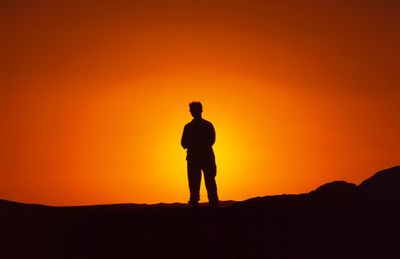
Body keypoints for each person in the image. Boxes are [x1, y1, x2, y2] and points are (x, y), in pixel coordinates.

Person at [181, 101, 219, 208]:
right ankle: (213, 204)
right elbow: (212, 140)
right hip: (205, 157)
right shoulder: (207, 125)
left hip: (196, 158)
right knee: (207, 182)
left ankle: (197, 205)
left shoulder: (188, 127)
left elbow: (183, 143)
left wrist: (194, 145)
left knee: (196, 183)